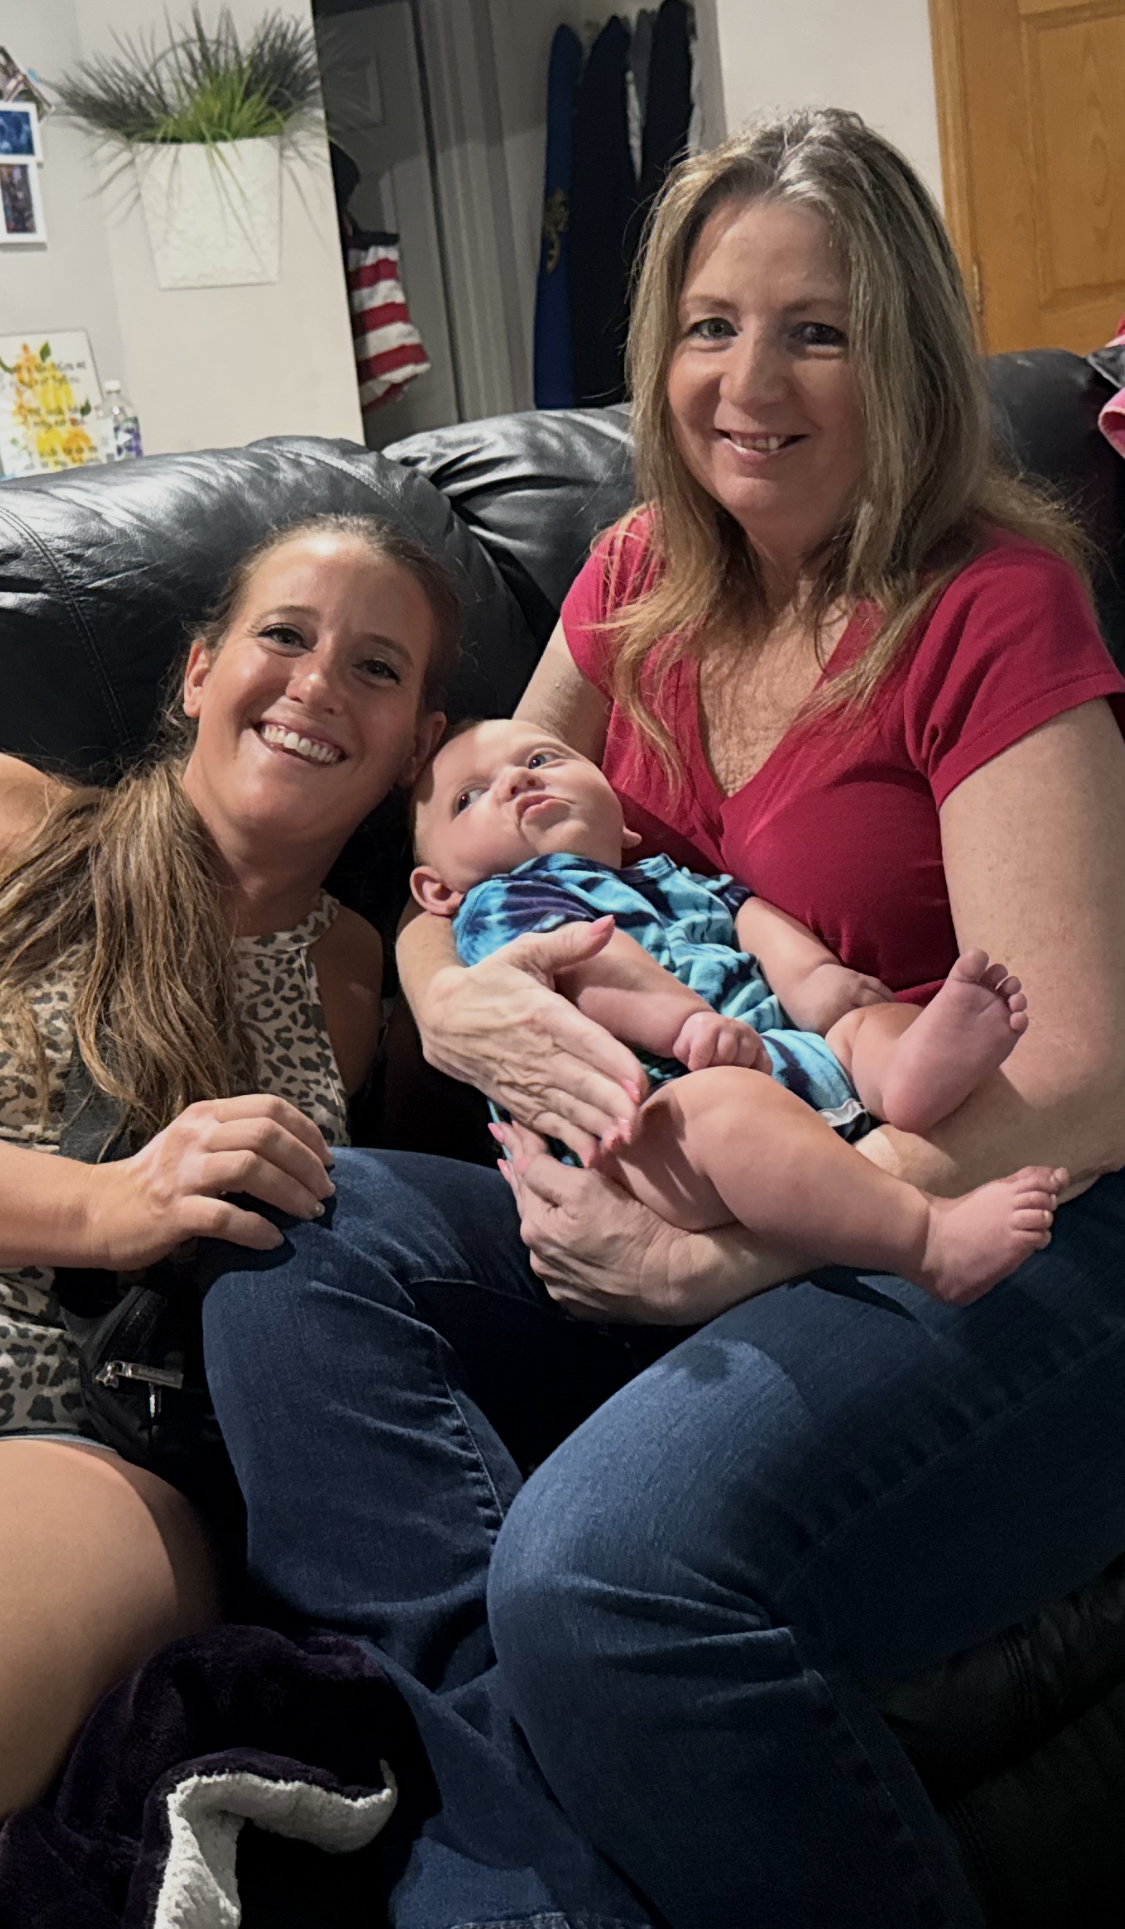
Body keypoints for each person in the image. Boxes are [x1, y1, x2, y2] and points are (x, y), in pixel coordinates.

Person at [16, 106, 1125, 1929]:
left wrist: (742, 1257)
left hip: (969, 1221)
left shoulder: (990, 609)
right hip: (665, 1158)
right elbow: (454, 873)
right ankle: (530, 1886)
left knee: (600, 1575)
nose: (746, 381)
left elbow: (1079, 1079)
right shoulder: (632, 585)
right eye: (708, 324)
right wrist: (461, 1021)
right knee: (304, 1236)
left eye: (816, 329)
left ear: (907, 353)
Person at [0, 511, 454, 1817]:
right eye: (285, 636)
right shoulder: (28, 831)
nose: (317, 683)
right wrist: (103, 1200)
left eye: (376, 667)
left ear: (418, 744)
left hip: (100, 1446)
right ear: (199, 672)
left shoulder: (376, 983)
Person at [409, 714, 1063, 1302]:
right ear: (436, 889)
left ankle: (907, 1080)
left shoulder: (670, 878)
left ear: (622, 819)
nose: (518, 783)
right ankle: (925, 1238)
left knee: (866, 1024)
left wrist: (815, 979)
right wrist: (684, 1023)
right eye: (469, 799)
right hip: (653, 1122)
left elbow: (750, 919)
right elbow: (583, 963)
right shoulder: (496, 906)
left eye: (542, 760)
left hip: (777, 1054)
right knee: (725, 1111)